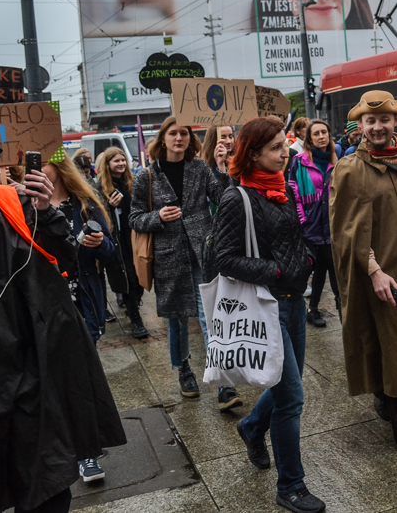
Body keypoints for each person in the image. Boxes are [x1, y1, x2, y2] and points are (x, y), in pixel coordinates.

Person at [0, 114, 125, 513]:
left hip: (29, 377)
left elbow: (64, 260)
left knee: (48, 485)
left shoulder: (12, 204)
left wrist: (46, 210)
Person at [219, 117, 325, 513]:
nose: (287, 152)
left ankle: (250, 427)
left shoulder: (285, 187)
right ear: (253, 153)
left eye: (286, 145)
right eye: (278, 147)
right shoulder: (238, 198)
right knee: (291, 398)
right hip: (266, 307)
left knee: (283, 386)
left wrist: (307, 260)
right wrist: (278, 271)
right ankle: (291, 487)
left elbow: (294, 238)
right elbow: (222, 258)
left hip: (293, 301)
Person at [330, 90, 397, 458]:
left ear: (395, 122)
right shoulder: (349, 169)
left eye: (384, 120)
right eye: (370, 121)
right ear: (360, 126)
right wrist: (373, 270)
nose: (378, 127)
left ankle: (384, 393)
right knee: (394, 344)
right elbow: (344, 232)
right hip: (380, 276)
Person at [129, 116, 238, 410]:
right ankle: (184, 370)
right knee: (177, 319)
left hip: (202, 252)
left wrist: (224, 170)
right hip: (169, 256)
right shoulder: (146, 176)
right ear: (162, 138)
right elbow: (134, 217)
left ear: (191, 139)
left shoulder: (199, 168)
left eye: (184, 134)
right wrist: (157, 217)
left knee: (211, 317)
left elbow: (223, 196)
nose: (179, 138)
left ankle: (224, 383)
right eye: (173, 133)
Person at [44, 157, 117, 345]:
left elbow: (110, 253)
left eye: (43, 163)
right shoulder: (30, 207)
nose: (36, 168)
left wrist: (99, 243)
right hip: (48, 300)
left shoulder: (84, 205)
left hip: (82, 297)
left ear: (59, 166)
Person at [289, 119, 340, 328]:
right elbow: (293, 190)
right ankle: (338, 307)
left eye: (324, 132)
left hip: (331, 226)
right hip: (310, 227)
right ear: (309, 138)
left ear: (329, 135)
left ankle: (317, 308)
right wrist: (302, 219)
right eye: (316, 133)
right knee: (325, 268)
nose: (321, 137)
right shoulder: (299, 161)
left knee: (326, 267)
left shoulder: (337, 161)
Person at [96, 147, 150, 339]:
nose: (121, 164)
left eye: (123, 160)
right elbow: (97, 213)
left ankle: (133, 304)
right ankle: (136, 319)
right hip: (117, 241)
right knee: (127, 280)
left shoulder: (132, 183)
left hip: (135, 237)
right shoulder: (101, 188)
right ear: (108, 164)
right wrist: (109, 207)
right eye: (116, 161)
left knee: (140, 279)